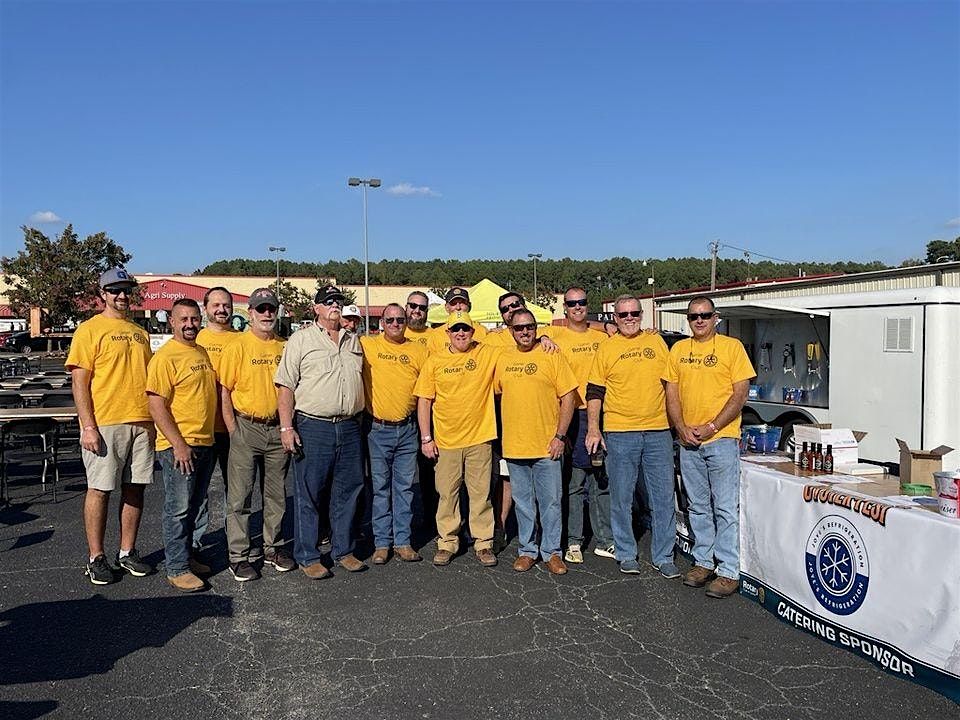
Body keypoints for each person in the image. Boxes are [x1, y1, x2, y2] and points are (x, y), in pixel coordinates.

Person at [67, 267, 155, 585]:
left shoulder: (139, 332)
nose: (121, 295)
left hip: (142, 423)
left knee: (135, 490)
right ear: (102, 294)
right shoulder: (89, 330)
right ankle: (96, 557)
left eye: (125, 290)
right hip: (106, 423)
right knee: (100, 490)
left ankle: (127, 551)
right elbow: (80, 382)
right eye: (114, 290)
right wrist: (87, 426)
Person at [664, 296, 755, 598]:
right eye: (693, 317)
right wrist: (680, 428)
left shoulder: (732, 347)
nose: (699, 321)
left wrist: (713, 426)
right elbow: (672, 393)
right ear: (687, 320)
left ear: (716, 317)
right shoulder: (678, 349)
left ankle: (728, 570)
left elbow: (740, 394)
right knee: (698, 506)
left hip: (721, 439)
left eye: (705, 315)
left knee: (725, 506)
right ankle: (704, 561)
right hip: (688, 441)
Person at [275, 285, 367, 578]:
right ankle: (309, 555)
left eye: (338, 301)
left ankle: (344, 550)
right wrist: (287, 427)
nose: (335, 306)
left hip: (350, 425)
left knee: (348, 491)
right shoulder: (301, 340)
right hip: (314, 425)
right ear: (316, 308)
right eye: (328, 302)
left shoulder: (354, 341)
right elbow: (285, 386)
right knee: (310, 493)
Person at [585, 295, 676, 577]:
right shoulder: (607, 348)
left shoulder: (656, 342)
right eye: (622, 314)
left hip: (658, 430)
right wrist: (593, 428)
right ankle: (625, 552)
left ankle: (664, 556)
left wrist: (678, 423)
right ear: (614, 318)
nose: (628, 318)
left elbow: (671, 384)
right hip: (620, 432)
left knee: (662, 497)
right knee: (621, 497)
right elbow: (594, 392)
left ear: (641, 314)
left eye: (634, 313)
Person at [494, 309, 578, 575]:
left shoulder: (551, 355)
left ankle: (552, 552)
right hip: (516, 445)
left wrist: (560, 436)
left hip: (547, 445)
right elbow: (495, 394)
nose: (525, 332)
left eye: (530, 327)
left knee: (551, 501)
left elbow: (569, 398)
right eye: (519, 328)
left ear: (536, 327)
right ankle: (528, 550)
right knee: (523, 502)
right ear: (511, 330)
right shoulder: (502, 357)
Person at [219, 288, 293, 582]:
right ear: (249, 313)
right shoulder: (237, 347)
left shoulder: (285, 347)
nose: (266, 314)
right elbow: (224, 391)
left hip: (277, 427)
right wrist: (233, 429)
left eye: (271, 309)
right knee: (240, 497)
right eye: (260, 309)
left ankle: (272, 547)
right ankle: (238, 556)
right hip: (246, 426)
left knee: (276, 495)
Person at [415, 311, 499, 567]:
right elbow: (424, 400)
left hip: (480, 438)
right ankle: (447, 542)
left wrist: (544, 340)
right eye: (456, 329)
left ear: (473, 332)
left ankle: (483, 543)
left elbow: (518, 342)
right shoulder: (435, 361)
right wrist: (426, 437)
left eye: (466, 329)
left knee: (480, 495)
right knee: (447, 494)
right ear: (447, 333)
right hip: (446, 441)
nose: (461, 333)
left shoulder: (487, 352)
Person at [146, 299, 218, 592]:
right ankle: (176, 566)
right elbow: (156, 406)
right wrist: (178, 444)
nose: (190, 324)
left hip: (204, 442)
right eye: (183, 319)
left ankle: (188, 555)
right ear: (172, 322)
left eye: (194, 319)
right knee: (178, 508)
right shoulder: (165, 358)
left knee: (197, 505)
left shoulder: (199, 352)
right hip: (180, 446)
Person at [549, 286, 614, 563]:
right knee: (575, 481)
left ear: (588, 305)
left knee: (601, 478)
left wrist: (611, 326)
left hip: (599, 413)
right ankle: (573, 541)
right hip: (571, 414)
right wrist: (542, 336)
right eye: (572, 303)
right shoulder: (553, 337)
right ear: (564, 308)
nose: (577, 307)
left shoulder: (602, 337)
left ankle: (605, 539)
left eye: (582, 302)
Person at [359, 302, 428, 564]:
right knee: (380, 488)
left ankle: (402, 541)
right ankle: (381, 543)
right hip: (377, 430)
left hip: (408, 430)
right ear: (381, 324)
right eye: (390, 320)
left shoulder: (418, 350)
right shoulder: (368, 345)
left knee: (404, 488)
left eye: (400, 320)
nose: (396, 324)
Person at [196, 286, 238, 521]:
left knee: (236, 491)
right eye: (216, 305)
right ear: (205, 308)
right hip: (203, 427)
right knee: (198, 492)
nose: (222, 310)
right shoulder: (197, 339)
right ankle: (195, 547)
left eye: (226, 305)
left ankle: (234, 545)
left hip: (233, 427)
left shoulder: (241, 340)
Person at [426, 287, 487, 354]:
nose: (458, 307)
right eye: (453, 304)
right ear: (446, 307)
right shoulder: (436, 335)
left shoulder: (483, 331)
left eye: (462, 303)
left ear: (469, 306)